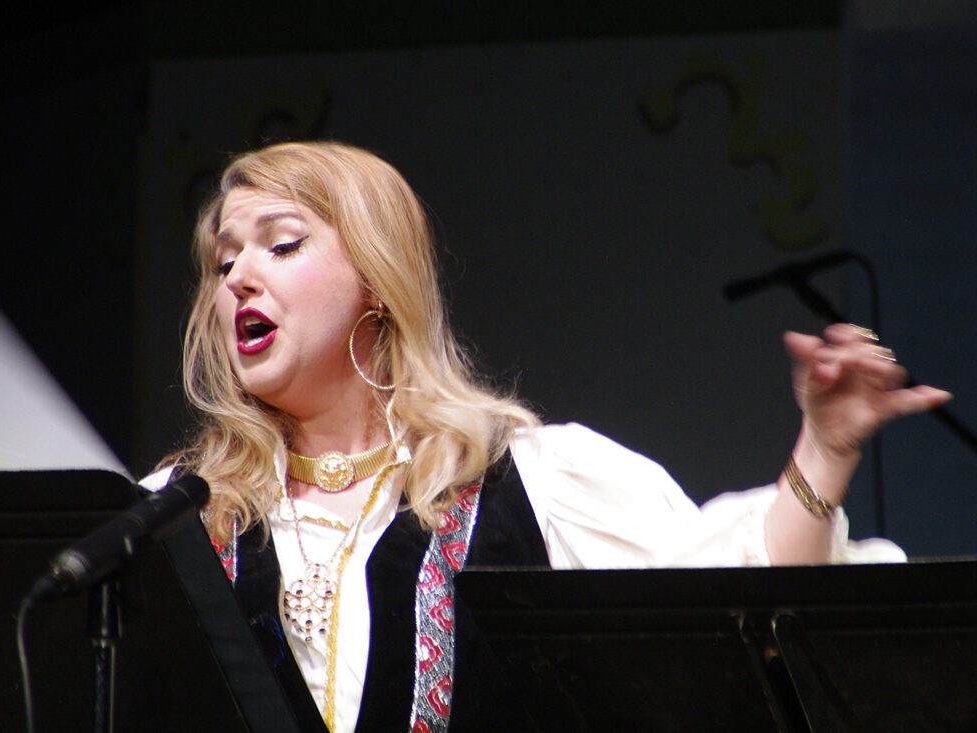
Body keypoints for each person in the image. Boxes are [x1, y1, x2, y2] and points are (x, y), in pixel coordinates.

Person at [142, 141, 951, 733]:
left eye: (282, 245)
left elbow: (736, 601)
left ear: (376, 281)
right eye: (223, 264)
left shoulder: (526, 480)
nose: (240, 276)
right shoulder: (174, 515)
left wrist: (826, 447)